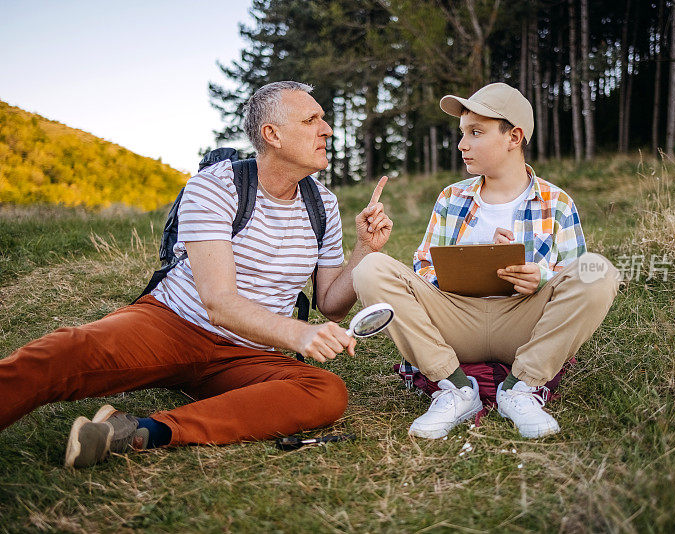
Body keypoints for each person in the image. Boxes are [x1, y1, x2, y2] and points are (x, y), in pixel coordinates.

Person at [0, 81, 393, 468]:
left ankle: (144, 431)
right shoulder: (216, 185)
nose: (326, 129)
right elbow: (218, 303)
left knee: (325, 392)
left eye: (323, 119)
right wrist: (299, 333)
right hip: (174, 325)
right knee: (64, 352)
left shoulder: (321, 203)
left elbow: (332, 305)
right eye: (311, 120)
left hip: (250, 353)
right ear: (271, 134)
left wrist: (365, 249)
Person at [352, 82, 619, 440]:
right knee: (370, 268)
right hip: (455, 321)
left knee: (599, 270)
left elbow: (577, 273)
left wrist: (540, 277)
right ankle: (455, 388)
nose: (462, 145)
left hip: (523, 324)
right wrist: (472, 256)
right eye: (462, 133)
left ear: (514, 137)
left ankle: (521, 388)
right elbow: (424, 268)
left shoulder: (557, 202)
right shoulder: (451, 198)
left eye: (475, 133)